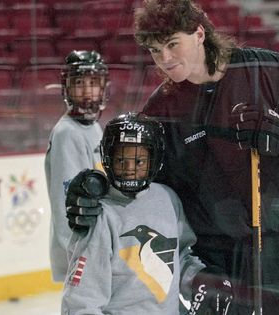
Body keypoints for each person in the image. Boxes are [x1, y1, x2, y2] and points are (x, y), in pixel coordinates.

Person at [66, 0, 279, 314]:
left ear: (198, 34)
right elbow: (140, 183)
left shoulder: (265, 71)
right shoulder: (162, 111)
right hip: (217, 257)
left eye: (171, 44)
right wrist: (95, 189)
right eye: (155, 50)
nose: (164, 59)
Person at [62, 112, 233, 314]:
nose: (130, 169)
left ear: (154, 160)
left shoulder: (168, 199)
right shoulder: (99, 215)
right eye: (121, 161)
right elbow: (82, 303)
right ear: (107, 158)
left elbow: (179, 257)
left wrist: (199, 279)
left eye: (139, 162)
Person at [44, 50, 109, 283]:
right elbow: (67, 205)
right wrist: (81, 255)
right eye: (79, 83)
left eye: (93, 83)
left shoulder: (93, 127)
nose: (87, 90)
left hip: (95, 248)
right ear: (66, 88)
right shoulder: (67, 133)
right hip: (82, 256)